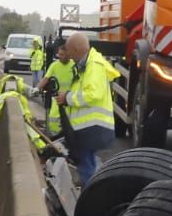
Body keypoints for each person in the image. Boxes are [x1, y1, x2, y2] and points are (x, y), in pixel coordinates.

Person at [56, 33, 117, 185]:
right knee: (88, 161)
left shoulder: (93, 66)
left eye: (69, 50)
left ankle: (89, 198)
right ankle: (95, 192)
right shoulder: (87, 64)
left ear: (76, 49)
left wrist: (67, 98)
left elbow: (93, 94)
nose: (68, 55)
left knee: (86, 164)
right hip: (90, 126)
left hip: (92, 126)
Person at [40, 41, 77, 140]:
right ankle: (54, 138)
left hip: (70, 99)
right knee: (53, 120)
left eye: (62, 55)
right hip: (57, 99)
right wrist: (36, 89)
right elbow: (45, 79)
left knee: (69, 123)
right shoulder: (54, 65)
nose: (59, 56)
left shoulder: (74, 66)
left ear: (68, 55)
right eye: (58, 54)